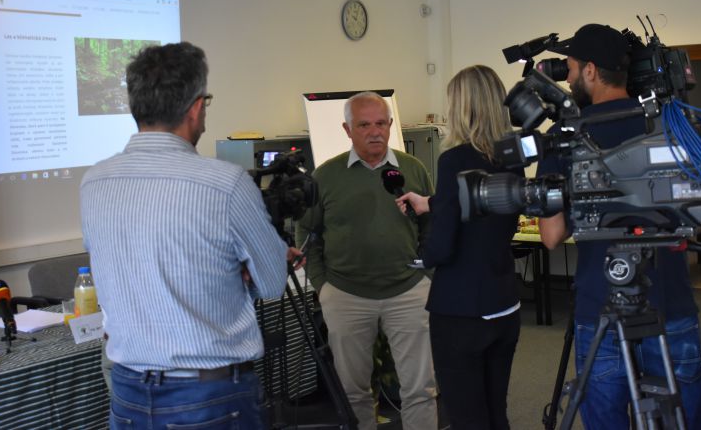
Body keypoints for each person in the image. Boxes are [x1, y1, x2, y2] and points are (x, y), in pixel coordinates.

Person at [80, 42, 300, 429]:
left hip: (127, 391)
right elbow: (270, 284)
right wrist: (239, 273)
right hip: (209, 397)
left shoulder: (94, 181)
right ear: (196, 107)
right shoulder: (225, 184)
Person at [536, 24, 701, 429]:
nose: (571, 77)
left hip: (601, 308)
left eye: (573, 68)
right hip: (671, 306)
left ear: (591, 70)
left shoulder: (563, 136)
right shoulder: (672, 121)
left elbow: (550, 236)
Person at [296, 91, 437, 430]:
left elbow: (432, 228)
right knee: (354, 392)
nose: (375, 132)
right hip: (346, 296)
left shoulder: (413, 169)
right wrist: (323, 287)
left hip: (408, 292)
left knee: (421, 390)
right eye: (364, 125)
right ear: (347, 129)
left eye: (380, 123)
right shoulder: (325, 176)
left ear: (390, 125)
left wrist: (427, 276)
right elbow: (308, 235)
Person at [397, 65, 522, 430]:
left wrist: (420, 258)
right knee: (495, 409)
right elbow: (480, 205)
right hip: (504, 304)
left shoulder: (453, 159)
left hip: (461, 312)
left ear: (462, 107)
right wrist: (433, 202)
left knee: (466, 415)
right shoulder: (511, 157)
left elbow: (445, 245)